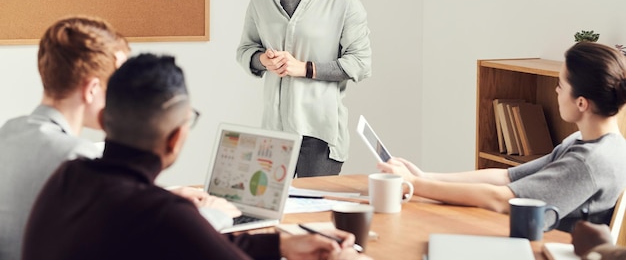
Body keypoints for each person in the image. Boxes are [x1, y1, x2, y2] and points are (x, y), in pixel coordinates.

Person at [22, 53, 371, 260]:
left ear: (102, 120)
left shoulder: (67, 177)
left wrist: (284, 242)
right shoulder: (162, 214)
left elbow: (197, 242)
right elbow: (186, 234)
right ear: (176, 138)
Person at [0, 16, 236, 260]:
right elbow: (151, 231)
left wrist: (169, 196)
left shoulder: (9, 132)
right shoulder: (77, 162)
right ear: (92, 90)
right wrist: (213, 213)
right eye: (116, 85)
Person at [378, 41, 626, 232]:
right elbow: (505, 176)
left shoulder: (589, 162)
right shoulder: (586, 143)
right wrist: (423, 176)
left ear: (581, 102)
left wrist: (414, 185)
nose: (556, 90)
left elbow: (501, 199)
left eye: (561, 85)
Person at [236, 0, 372, 177]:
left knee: (314, 215)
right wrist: (264, 60)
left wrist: (305, 68)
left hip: (319, 134)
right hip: (273, 132)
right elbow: (245, 49)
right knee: (265, 214)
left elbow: (360, 63)